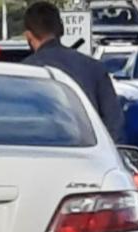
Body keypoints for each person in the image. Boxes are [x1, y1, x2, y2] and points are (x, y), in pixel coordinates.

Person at [22, 1, 125, 143]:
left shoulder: (25, 74)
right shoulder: (94, 68)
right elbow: (114, 124)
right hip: (90, 159)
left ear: (28, 35)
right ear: (61, 29)